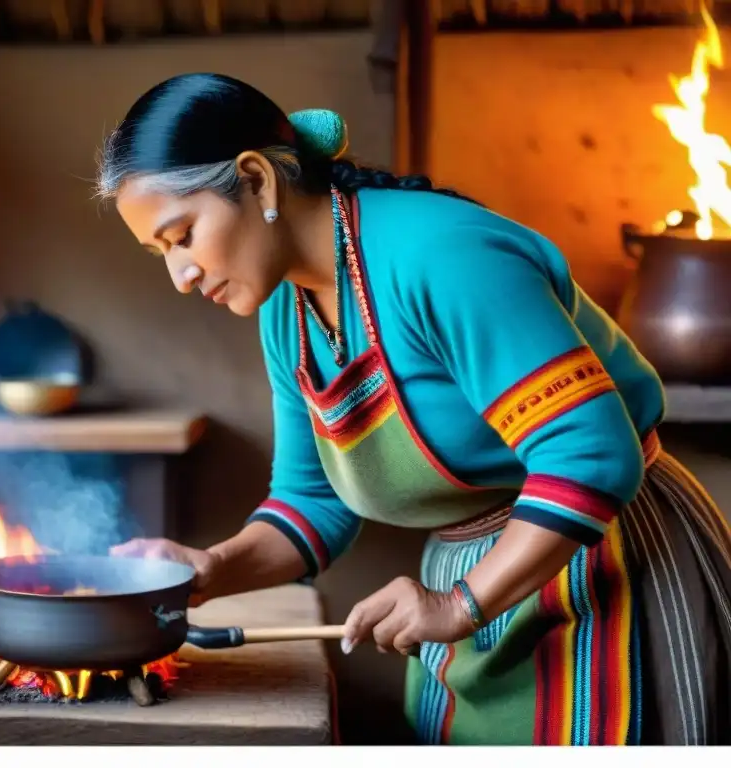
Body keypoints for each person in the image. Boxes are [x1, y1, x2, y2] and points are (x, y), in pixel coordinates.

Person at [99, 73, 731, 746]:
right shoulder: (286, 308)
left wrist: (460, 605)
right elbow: (313, 502)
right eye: (160, 253)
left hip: (604, 570)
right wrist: (211, 570)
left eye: (184, 235)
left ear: (257, 181)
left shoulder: (440, 256)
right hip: (463, 598)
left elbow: (590, 453)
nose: (181, 275)